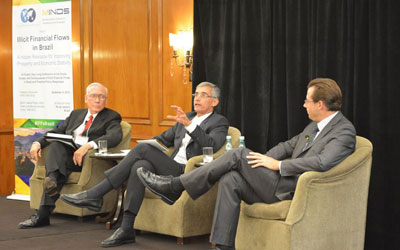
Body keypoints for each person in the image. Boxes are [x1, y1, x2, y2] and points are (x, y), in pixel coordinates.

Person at [137, 78, 357, 250]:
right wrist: (261, 162)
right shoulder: (313, 126)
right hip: (278, 183)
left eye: (307, 101)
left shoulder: (344, 131)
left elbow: (323, 162)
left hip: (293, 189)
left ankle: (175, 187)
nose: (303, 105)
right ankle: (224, 245)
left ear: (320, 104)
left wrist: (277, 166)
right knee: (230, 178)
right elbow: (287, 146)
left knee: (237, 155)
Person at [61, 81, 229, 247]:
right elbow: (161, 139)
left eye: (203, 95)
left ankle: (96, 193)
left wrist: (189, 125)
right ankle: (127, 229)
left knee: (141, 151)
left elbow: (211, 145)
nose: (197, 98)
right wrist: (138, 151)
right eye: (196, 94)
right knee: (139, 165)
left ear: (214, 101)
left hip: (187, 173)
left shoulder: (218, 122)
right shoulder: (187, 117)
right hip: (171, 165)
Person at [19, 82, 123, 229]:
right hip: (65, 157)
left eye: (102, 97)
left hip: (86, 161)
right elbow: (56, 131)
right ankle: (50, 188)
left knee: (57, 167)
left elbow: (114, 137)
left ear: (106, 99)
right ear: (86, 98)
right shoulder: (76, 114)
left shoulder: (111, 116)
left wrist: (88, 146)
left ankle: (44, 207)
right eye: (94, 96)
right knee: (56, 146)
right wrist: (37, 143)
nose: (98, 100)